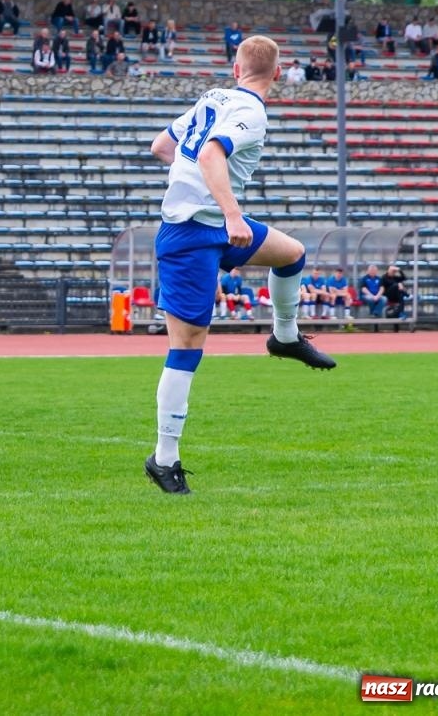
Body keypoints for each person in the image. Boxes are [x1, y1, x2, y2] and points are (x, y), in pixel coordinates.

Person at [144, 35, 338, 496]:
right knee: (187, 348)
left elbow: (160, 147)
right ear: (278, 74)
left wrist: (195, 186)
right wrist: (229, 211)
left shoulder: (212, 96)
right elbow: (211, 153)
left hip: (212, 224)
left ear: (235, 69)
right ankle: (164, 458)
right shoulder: (252, 112)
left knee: (290, 253)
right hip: (194, 232)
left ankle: (285, 337)